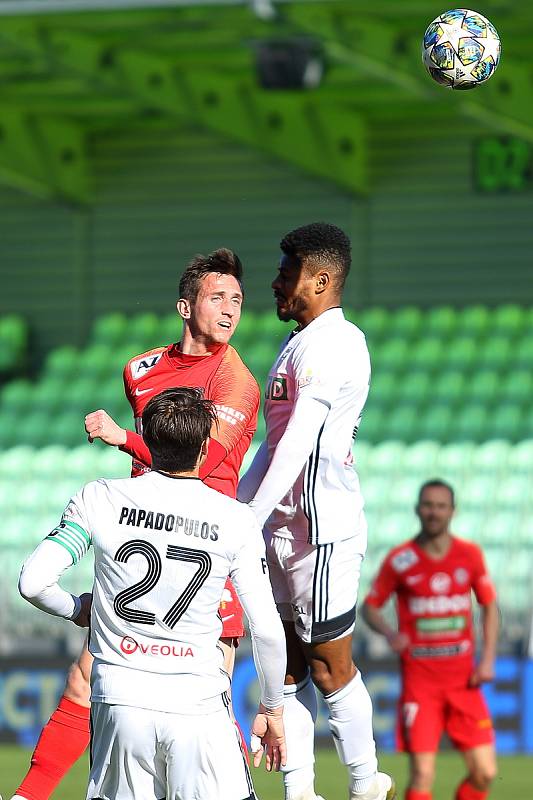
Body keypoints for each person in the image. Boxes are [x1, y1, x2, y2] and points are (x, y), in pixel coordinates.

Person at [12, 248, 260, 800]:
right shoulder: (142, 370)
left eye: (237, 300)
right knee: (82, 681)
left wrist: (122, 437)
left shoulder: (235, 379)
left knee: (209, 705)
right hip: (143, 541)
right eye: (217, 297)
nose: (230, 309)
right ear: (184, 305)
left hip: (204, 557)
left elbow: (204, 461)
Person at [18, 387, 286, 800]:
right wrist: (271, 708)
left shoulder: (100, 497)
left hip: (119, 700)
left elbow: (33, 582)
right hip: (197, 702)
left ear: (149, 442)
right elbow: (267, 630)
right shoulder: (235, 519)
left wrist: (77, 608)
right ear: (204, 449)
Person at [237, 222, 394, 800]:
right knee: (287, 670)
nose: (276, 282)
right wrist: (237, 511)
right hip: (281, 526)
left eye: (288, 272)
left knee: (329, 668)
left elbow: (301, 443)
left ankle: (365, 784)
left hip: (321, 532)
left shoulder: (337, 344)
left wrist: (245, 518)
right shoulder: (298, 342)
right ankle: (300, 793)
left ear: (322, 279)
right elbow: (273, 448)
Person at [362, 479, 498, 800]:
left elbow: (490, 607)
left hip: (464, 681)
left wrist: (488, 658)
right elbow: (369, 607)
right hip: (420, 684)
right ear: (417, 510)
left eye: (440, 506)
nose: (433, 512)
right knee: (423, 774)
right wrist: (390, 633)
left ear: (452, 511)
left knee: (486, 773)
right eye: (428, 505)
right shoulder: (401, 560)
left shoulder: (470, 555)